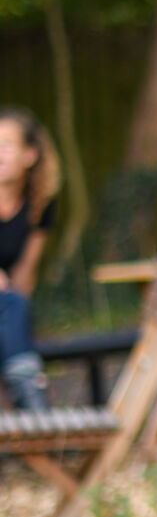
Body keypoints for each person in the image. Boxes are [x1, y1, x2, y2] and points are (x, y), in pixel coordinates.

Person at [0, 107, 60, 411]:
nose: (0, 154)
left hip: (6, 306)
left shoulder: (40, 204)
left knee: (14, 305)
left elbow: (26, 271)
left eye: (7, 145)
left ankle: (30, 411)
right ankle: (34, 404)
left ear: (30, 155)